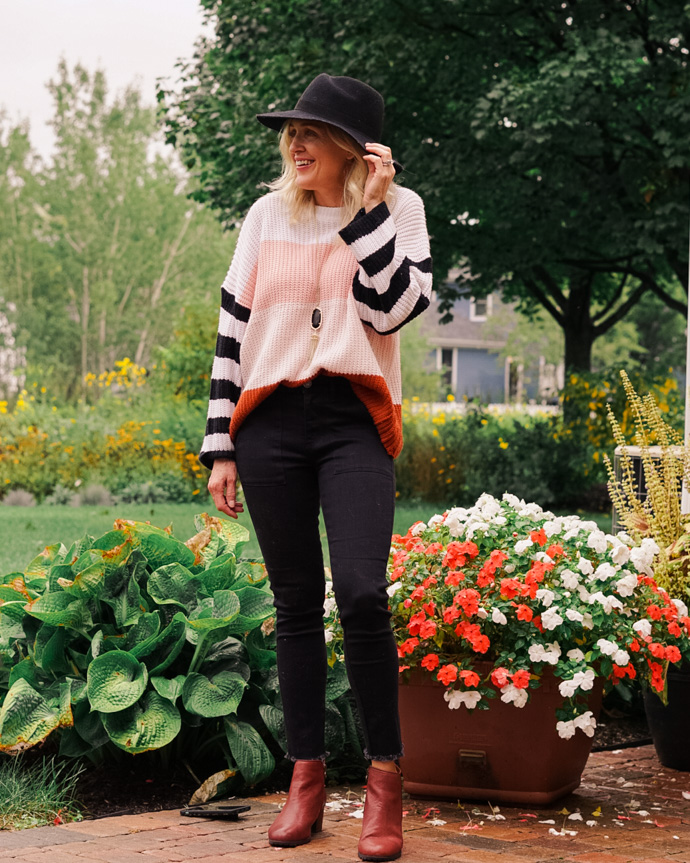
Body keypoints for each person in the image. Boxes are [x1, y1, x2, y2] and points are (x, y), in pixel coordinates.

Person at [199, 73, 432, 862]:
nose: (295, 143)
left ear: (355, 149)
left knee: (364, 594)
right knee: (296, 601)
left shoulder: (401, 212)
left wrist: (366, 214)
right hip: (268, 425)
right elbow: (232, 332)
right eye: (290, 131)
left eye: (313, 132)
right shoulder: (265, 216)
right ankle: (304, 782)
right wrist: (221, 443)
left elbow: (394, 309)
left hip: (354, 420)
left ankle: (383, 783)